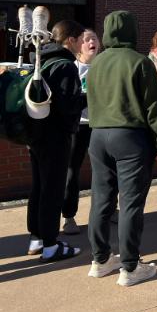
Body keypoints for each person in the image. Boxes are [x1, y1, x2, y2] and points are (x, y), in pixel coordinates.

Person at [85, 11, 157, 286]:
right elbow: (154, 107)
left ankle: (100, 260)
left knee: (101, 199)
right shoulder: (140, 62)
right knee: (131, 203)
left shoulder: (96, 63)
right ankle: (130, 267)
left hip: (98, 135)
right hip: (131, 137)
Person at [26, 20, 85, 262]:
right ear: (70, 40)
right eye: (80, 39)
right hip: (56, 137)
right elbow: (68, 106)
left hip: (36, 134)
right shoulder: (66, 67)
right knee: (53, 189)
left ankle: (36, 238)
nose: (83, 43)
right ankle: (51, 245)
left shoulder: (42, 61)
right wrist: (87, 98)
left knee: (39, 186)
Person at [62, 29, 101, 235]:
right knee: (72, 170)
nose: (92, 42)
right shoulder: (72, 69)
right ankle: (69, 216)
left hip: (100, 125)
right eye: (87, 39)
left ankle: (107, 209)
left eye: (94, 38)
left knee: (105, 170)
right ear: (78, 45)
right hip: (79, 126)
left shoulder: (104, 67)